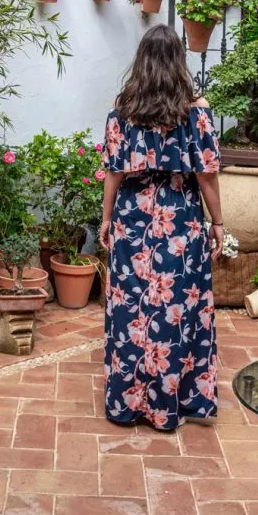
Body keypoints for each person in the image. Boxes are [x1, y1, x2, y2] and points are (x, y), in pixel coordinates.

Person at [99, 24, 224, 432]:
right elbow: (206, 174)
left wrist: (105, 218)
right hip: (180, 217)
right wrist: (218, 221)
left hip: (132, 216)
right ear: (178, 62)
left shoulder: (123, 109)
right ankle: (173, 400)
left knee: (131, 308)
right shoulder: (196, 110)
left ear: (142, 61)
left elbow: (113, 172)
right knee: (177, 310)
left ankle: (129, 403)